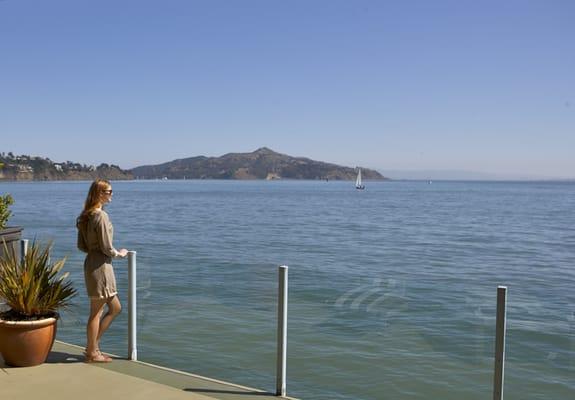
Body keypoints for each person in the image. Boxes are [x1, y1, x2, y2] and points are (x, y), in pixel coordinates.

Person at [76, 179, 128, 363]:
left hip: (91, 263)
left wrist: (95, 250)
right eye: (109, 191)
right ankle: (92, 352)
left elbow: (81, 245)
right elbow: (107, 247)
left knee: (115, 308)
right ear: (100, 194)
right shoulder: (101, 216)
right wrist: (120, 254)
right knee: (96, 312)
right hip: (101, 267)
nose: (112, 194)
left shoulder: (86, 216)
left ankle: (92, 346)